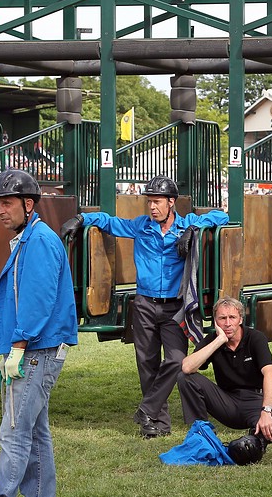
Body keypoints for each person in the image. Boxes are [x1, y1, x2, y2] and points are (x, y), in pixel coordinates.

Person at [59, 175, 228, 439]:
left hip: (175, 307)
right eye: (149, 201)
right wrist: (82, 219)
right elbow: (109, 222)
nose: (152, 207)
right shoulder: (141, 226)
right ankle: (156, 423)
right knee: (147, 363)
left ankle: (147, 409)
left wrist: (193, 230)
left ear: (171, 202)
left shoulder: (187, 223)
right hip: (145, 304)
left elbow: (221, 217)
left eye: (157, 202)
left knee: (175, 360)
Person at [0, 169, 78, 497]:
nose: (0, 211)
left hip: (34, 349)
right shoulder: (31, 238)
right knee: (33, 430)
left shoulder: (40, 242)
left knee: (14, 429)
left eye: (7, 203)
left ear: (28, 205)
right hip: (37, 347)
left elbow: (37, 300)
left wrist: (17, 346)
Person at [178, 296, 272, 447]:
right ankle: (202, 434)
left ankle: (250, 443)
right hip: (227, 401)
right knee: (185, 378)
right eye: (222, 318)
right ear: (215, 321)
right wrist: (219, 341)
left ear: (240, 319)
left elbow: (271, 374)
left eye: (232, 317)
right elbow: (186, 367)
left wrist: (266, 411)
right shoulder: (213, 340)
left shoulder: (255, 338)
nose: (227, 323)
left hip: (254, 399)